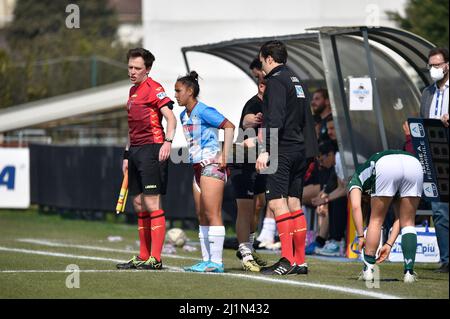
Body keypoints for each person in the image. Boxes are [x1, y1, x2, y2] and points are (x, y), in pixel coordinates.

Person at [256, 40, 318, 275]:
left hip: (283, 149)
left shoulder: (275, 81)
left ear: (269, 59)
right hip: (301, 150)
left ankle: (287, 260)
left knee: (276, 203)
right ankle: (300, 262)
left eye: (262, 60)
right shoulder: (295, 78)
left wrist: (266, 150)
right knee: (294, 203)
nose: (261, 64)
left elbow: (277, 118)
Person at [117, 48, 177, 270]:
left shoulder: (155, 88)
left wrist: (168, 142)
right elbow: (132, 129)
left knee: (152, 203)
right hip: (135, 152)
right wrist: (126, 154)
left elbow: (171, 119)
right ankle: (143, 256)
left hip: (152, 150)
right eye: (130, 67)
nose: (132, 71)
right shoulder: (132, 90)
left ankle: (156, 258)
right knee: (138, 203)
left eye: (137, 68)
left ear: (148, 69)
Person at [176, 71, 235, 273]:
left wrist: (224, 156)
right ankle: (206, 260)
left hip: (212, 166)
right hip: (196, 169)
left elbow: (229, 126)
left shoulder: (204, 110)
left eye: (178, 91)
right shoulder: (183, 115)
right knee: (201, 215)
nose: (175, 95)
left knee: (212, 213)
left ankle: (217, 263)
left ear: (190, 91)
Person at [348, 150, 423, 283]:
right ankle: (409, 273)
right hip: (414, 164)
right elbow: (400, 218)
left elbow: (355, 206)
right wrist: (388, 244)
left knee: (376, 219)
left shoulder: (356, 178)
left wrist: (360, 236)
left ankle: (369, 269)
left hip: (386, 165)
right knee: (408, 222)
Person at [232, 77, 268, 272]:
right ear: (262, 86)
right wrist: (251, 124)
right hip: (244, 162)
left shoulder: (272, 105)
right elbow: (247, 120)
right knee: (245, 208)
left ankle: (248, 247)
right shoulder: (254, 103)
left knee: (259, 204)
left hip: (260, 161)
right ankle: (245, 252)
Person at [419, 47, 449, 273]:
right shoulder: (426, 93)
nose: (434, 69)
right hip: (434, 156)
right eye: (431, 66)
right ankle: (447, 259)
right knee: (439, 209)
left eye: (438, 65)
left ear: (447, 65)